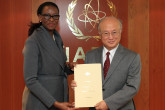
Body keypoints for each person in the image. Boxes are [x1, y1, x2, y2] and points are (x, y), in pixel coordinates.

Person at [71, 16, 141, 110]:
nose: (111, 37)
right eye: (106, 33)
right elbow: (89, 83)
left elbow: (132, 88)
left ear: (120, 32)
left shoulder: (132, 57)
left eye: (114, 32)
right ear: (100, 34)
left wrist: (108, 103)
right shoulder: (90, 55)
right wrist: (79, 87)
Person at [22, 2, 76, 110]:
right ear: (40, 17)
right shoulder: (33, 41)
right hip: (41, 102)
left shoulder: (57, 38)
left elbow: (55, 68)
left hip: (58, 98)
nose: (51, 19)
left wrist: (69, 68)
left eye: (55, 16)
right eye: (47, 15)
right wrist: (54, 103)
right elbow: (30, 80)